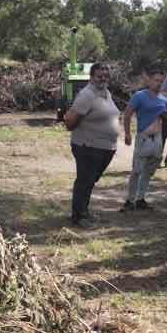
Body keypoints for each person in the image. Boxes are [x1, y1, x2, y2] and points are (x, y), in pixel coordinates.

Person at [61, 62, 119, 226]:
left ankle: (83, 211)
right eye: (99, 76)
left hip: (104, 147)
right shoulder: (87, 95)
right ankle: (78, 217)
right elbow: (70, 121)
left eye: (106, 76)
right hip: (87, 146)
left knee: (90, 180)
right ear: (91, 77)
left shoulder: (105, 92)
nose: (103, 79)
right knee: (84, 180)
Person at [121, 64, 167, 211]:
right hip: (143, 138)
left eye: (161, 81)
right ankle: (130, 201)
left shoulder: (164, 100)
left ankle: (141, 198)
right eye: (156, 80)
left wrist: (165, 118)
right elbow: (127, 114)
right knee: (137, 170)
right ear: (148, 81)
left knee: (149, 170)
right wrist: (128, 133)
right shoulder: (139, 96)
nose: (159, 83)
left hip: (158, 138)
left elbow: (166, 120)